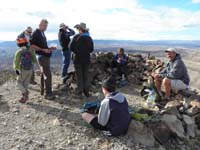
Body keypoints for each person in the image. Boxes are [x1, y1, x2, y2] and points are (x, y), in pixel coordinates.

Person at [30, 19, 56, 100]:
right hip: (42, 56)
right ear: (39, 25)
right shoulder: (36, 33)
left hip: (44, 55)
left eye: (46, 26)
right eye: (44, 25)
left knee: (43, 74)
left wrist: (49, 48)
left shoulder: (42, 33)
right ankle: (48, 94)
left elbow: (42, 45)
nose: (45, 27)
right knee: (48, 75)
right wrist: (42, 49)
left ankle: (42, 91)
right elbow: (31, 45)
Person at [70, 22, 94, 98]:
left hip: (77, 58)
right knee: (85, 75)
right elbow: (91, 49)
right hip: (86, 58)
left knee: (79, 76)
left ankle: (79, 92)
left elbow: (70, 47)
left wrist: (77, 51)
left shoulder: (76, 37)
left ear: (80, 29)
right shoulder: (89, 38)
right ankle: (86, 92)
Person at [13, 37, 36, 103]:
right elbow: (34, 60)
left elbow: (16, 62)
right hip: (30, 69)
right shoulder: (31, 50)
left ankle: (25, 93)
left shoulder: (19, 52)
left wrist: (16, 69)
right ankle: (24, 98)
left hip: (22, 70)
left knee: (18, 82)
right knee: (25, 84)